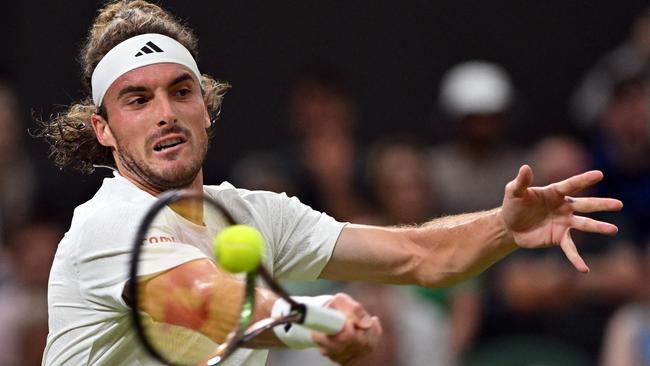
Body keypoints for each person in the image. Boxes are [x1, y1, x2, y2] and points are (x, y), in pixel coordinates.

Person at [36, 1, 622, 365]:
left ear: (205, 108)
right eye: (137, 100)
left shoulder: (254, 214)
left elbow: (420, 255)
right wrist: (317, 319)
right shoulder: (107, 226)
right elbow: (209, 302)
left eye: (180, 91)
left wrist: (501, 227)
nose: (165, 113)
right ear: (104, 130)